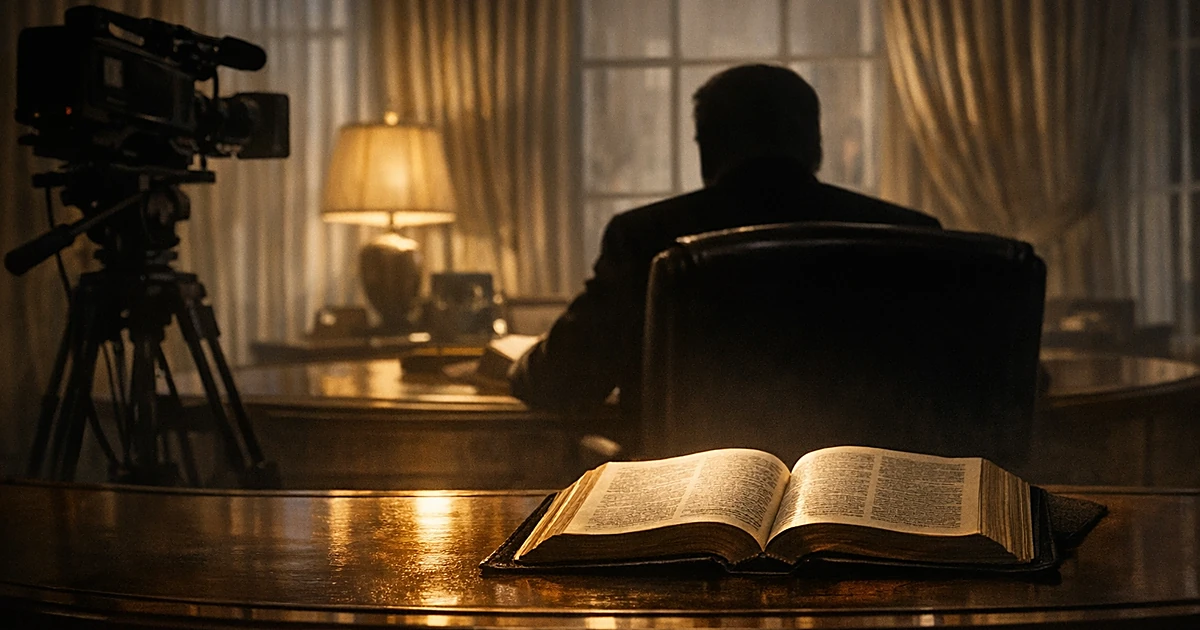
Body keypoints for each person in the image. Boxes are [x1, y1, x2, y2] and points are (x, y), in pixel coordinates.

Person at [509, 64, 940, 425]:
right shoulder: (909, 235)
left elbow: (560, 381)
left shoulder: (645, 236)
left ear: (707, 147)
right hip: (863, 508)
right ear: (815, 143)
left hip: (683, 503)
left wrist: (516, 362)